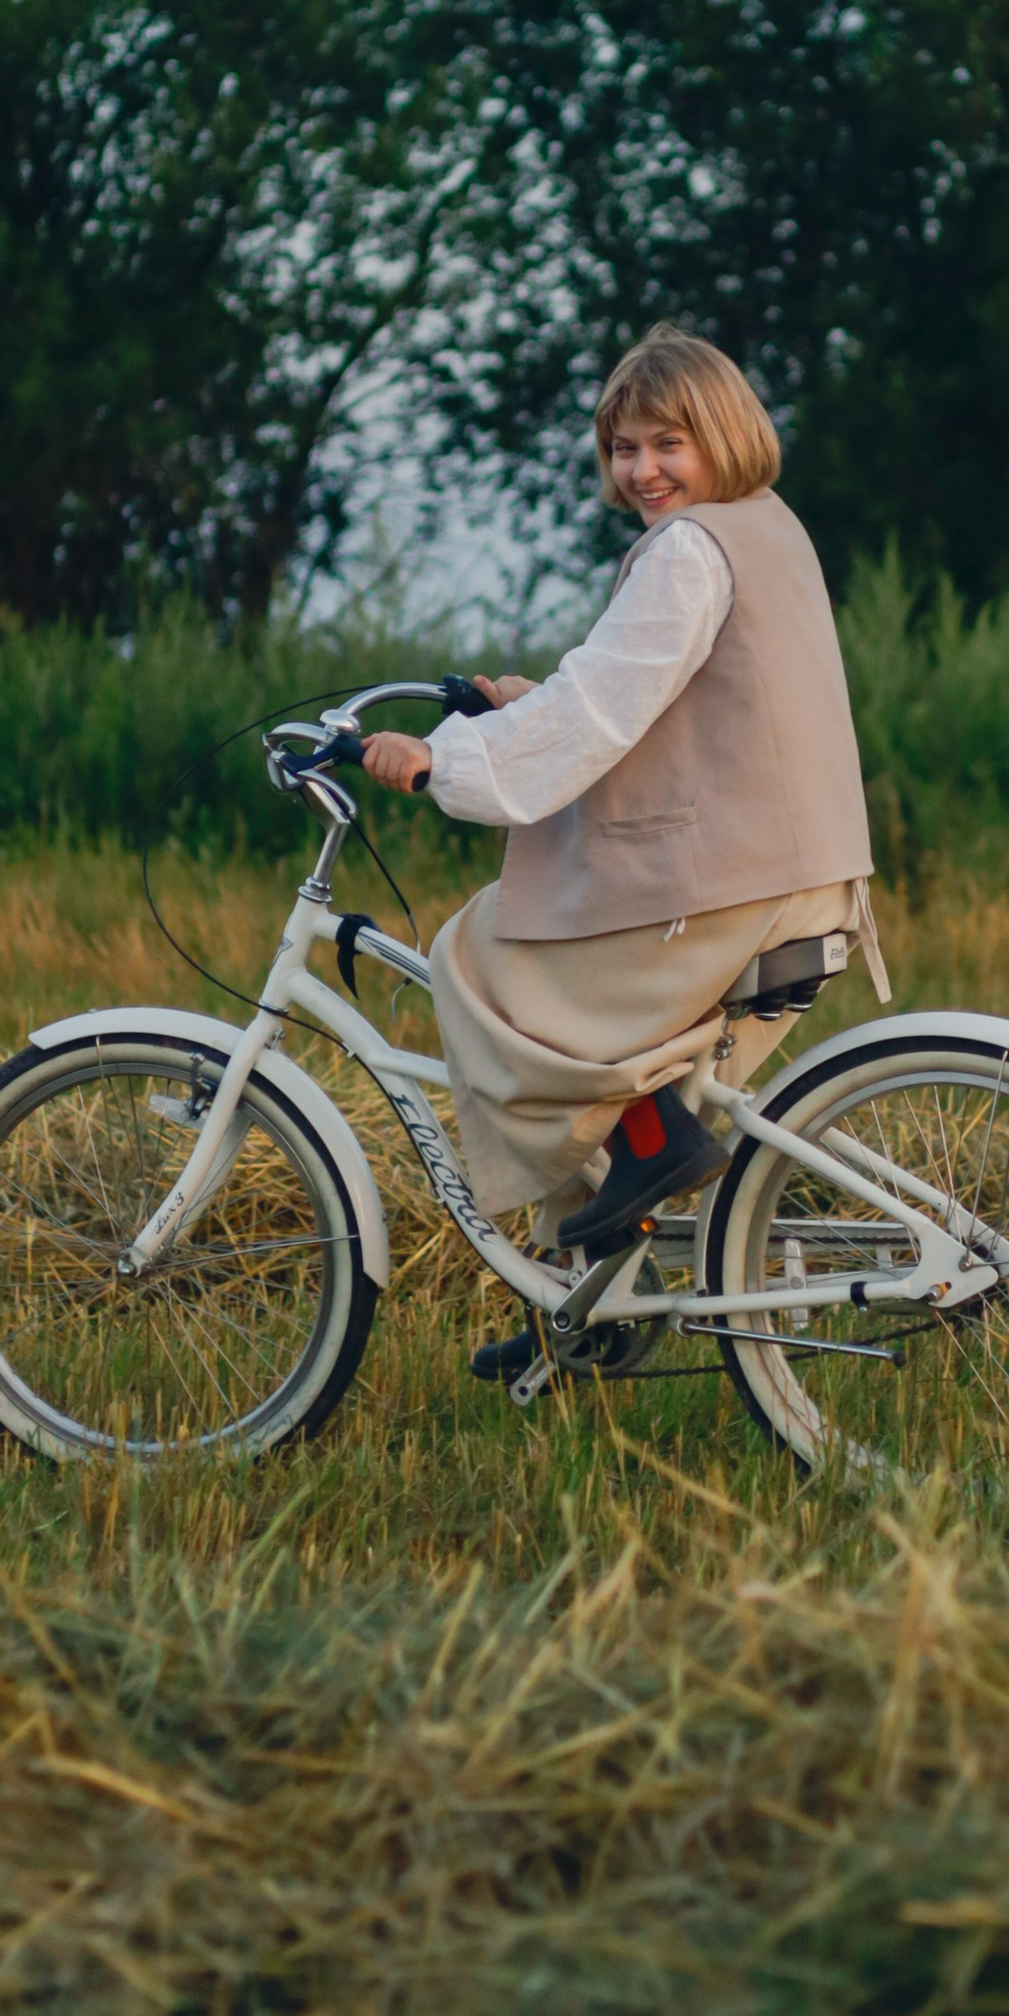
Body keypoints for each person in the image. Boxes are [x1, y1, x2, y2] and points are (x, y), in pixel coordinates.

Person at [361, 324, 888, 1377]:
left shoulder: (690, 550)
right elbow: (649, 694)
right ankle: (596, 1303)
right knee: (570, 1019)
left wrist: (441, 763)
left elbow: (603, 709)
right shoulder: (761, 527)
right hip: (802, 873)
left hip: (742, 887)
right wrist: (518, 704)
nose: (643, 470)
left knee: (478, 957)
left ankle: (646, 1153)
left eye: (666, 443)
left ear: (721, 435)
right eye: (622, 448)